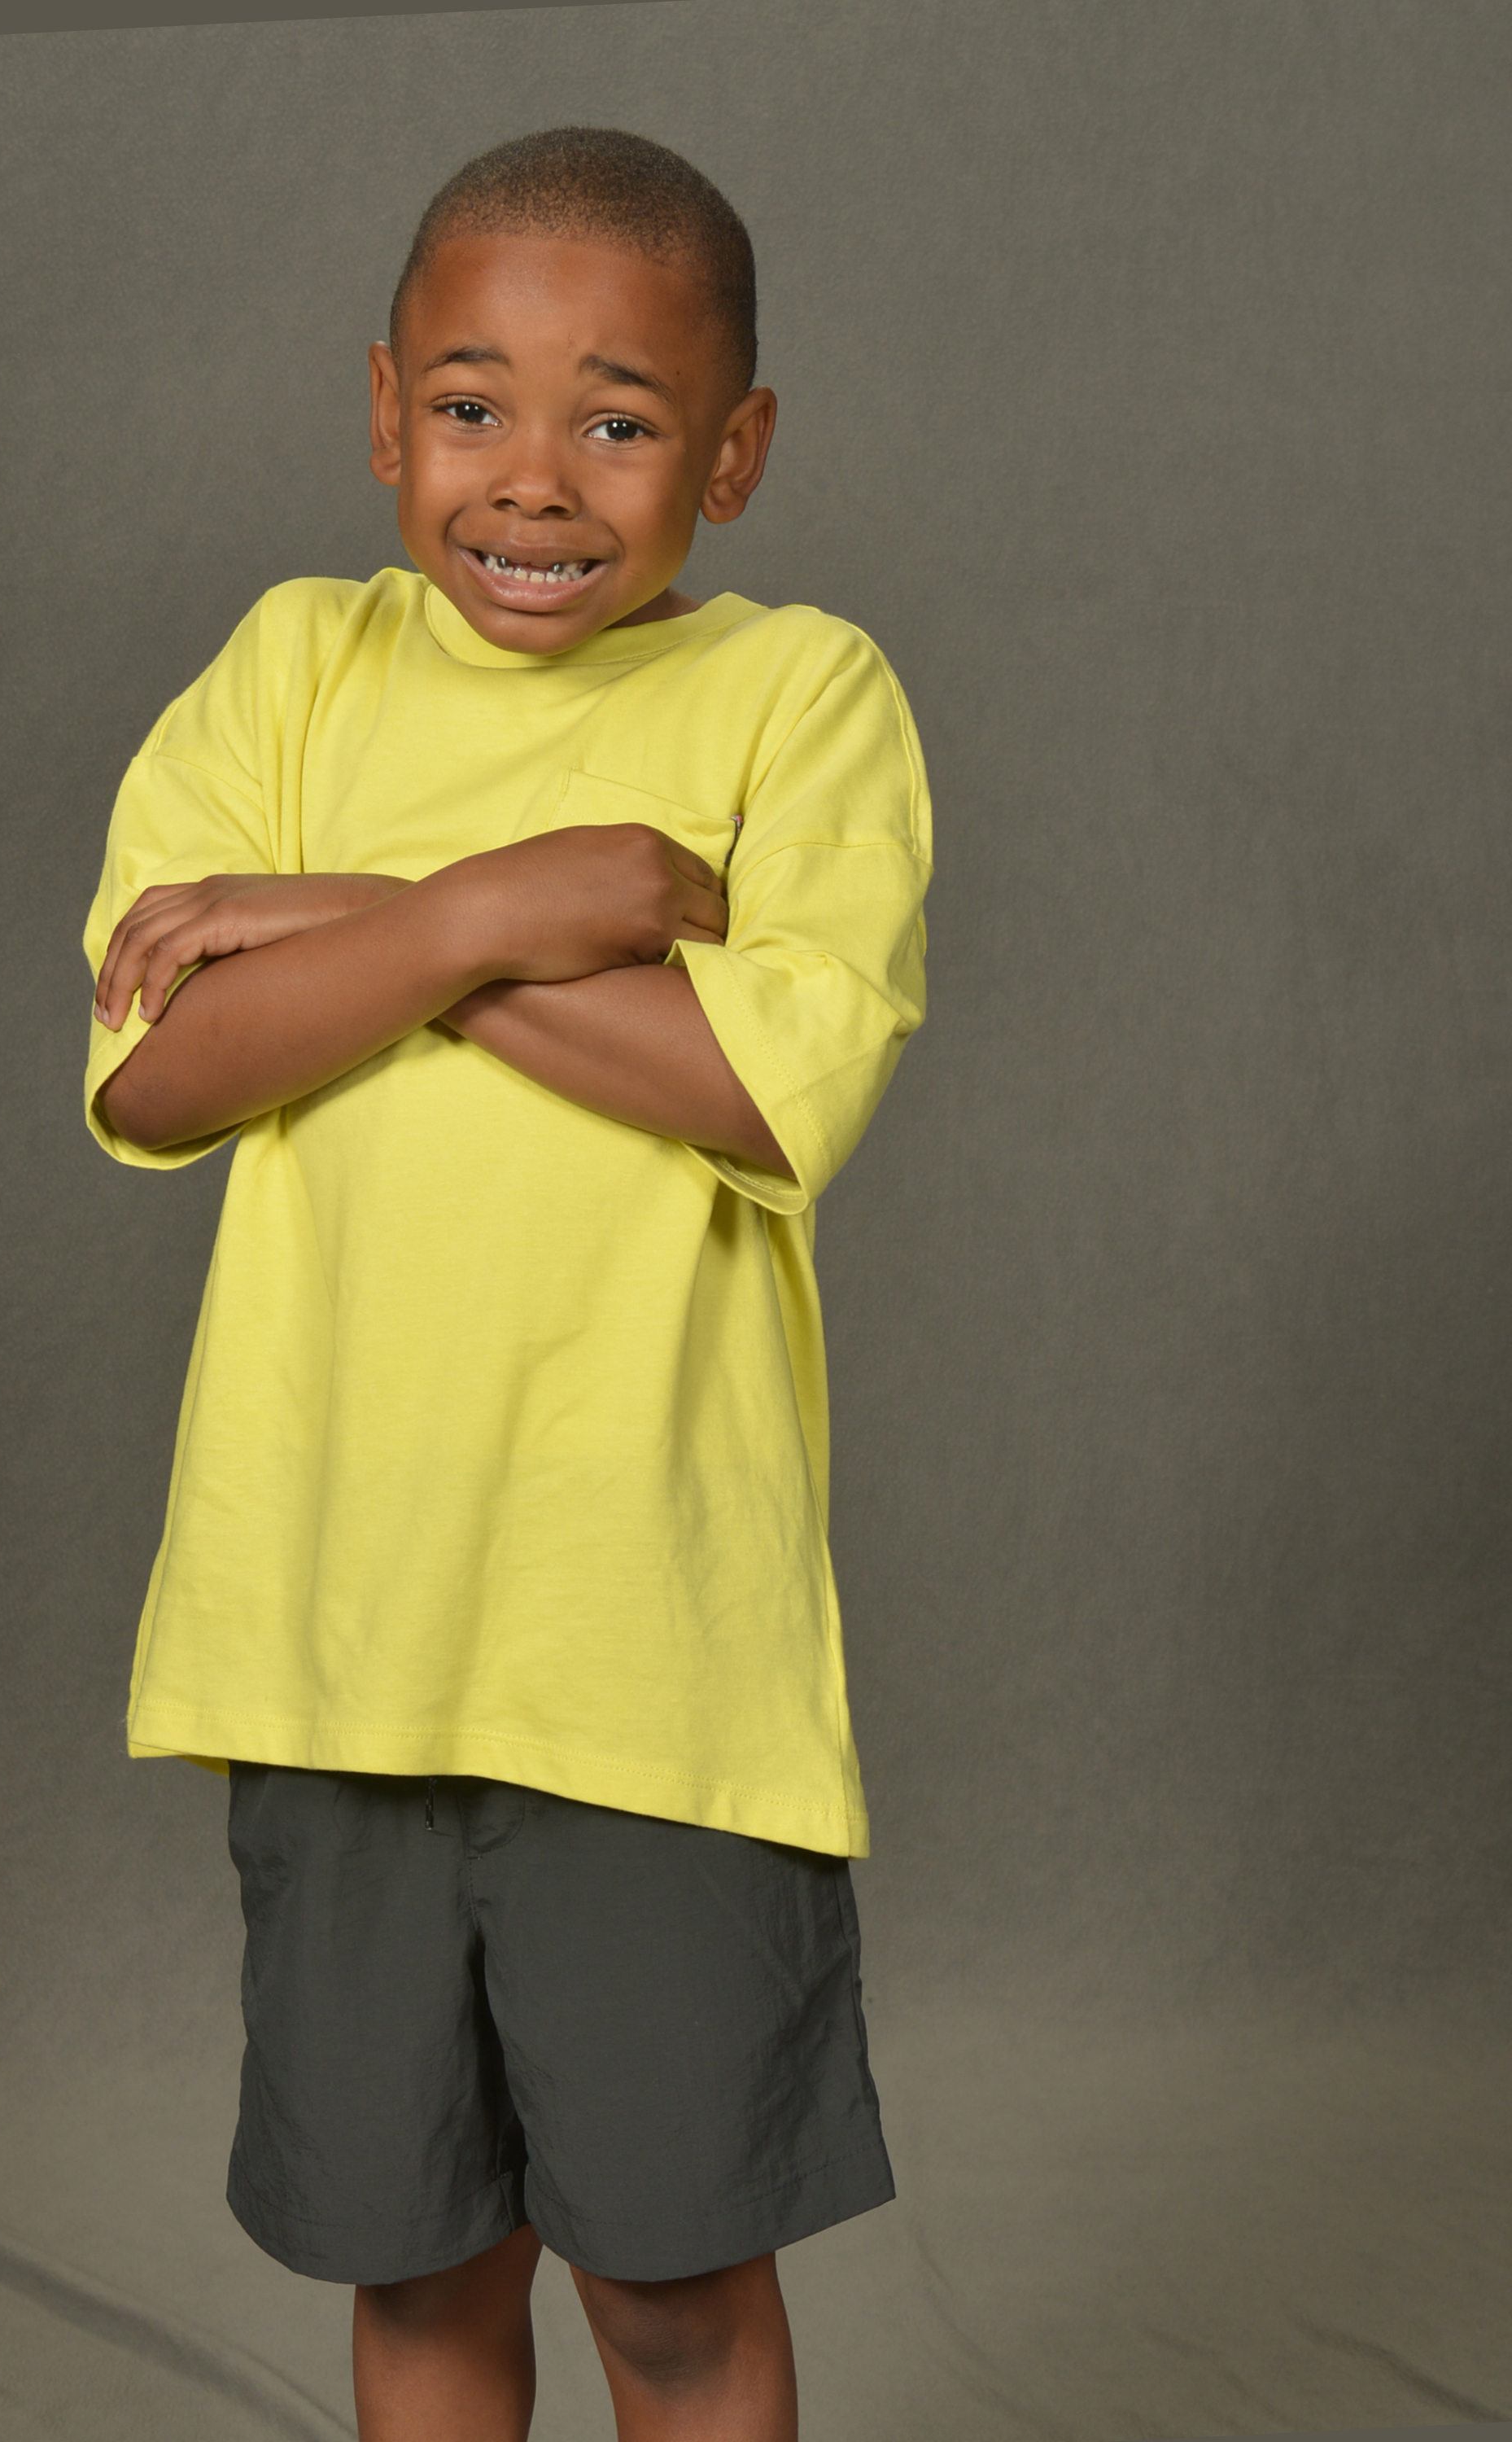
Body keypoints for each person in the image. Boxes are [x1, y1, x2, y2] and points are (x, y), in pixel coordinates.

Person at [82, 125, 931, 2442]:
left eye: (619, 420)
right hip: (329, 1638)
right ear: (386, 413)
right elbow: (162, 1070)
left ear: (733, 454)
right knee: (424, 2271)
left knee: (670, 2292)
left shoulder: (801, 699)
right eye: (471, 405)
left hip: (647, 1667)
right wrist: (485, 907)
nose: (533, 478)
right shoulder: (292, 667)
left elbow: (758, 1087)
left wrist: (342, 923)